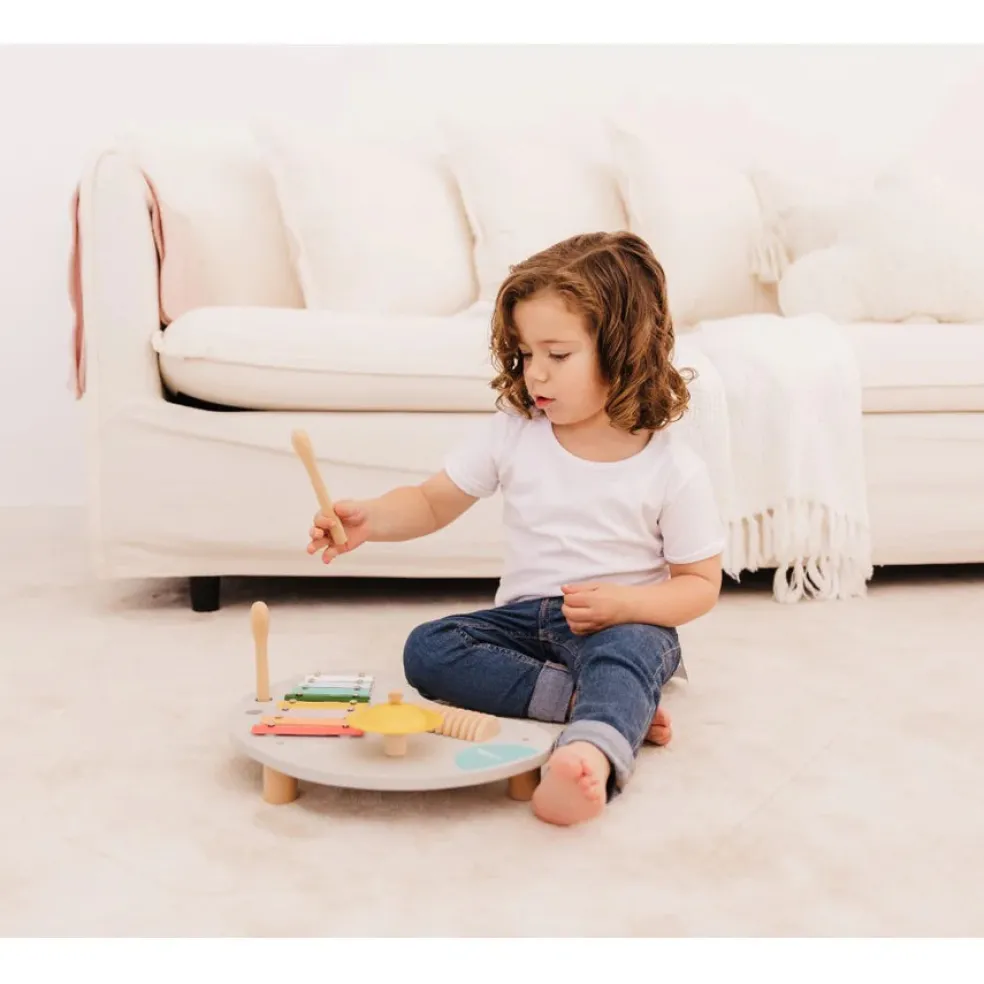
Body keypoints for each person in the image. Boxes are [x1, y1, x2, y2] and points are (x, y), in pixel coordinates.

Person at [306, 231, 724, 826]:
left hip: (625, 623)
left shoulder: (672, 466)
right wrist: (370, 519)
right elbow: (430, 502)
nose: (537, 376)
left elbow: (699, 584)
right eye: (527, 355)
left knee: (628, 653)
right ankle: (601, 706)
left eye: (558, 355)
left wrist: (625, 604)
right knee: (429, 649)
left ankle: (589, 756)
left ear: (621, 349)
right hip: (525, 621)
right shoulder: (515, 433)